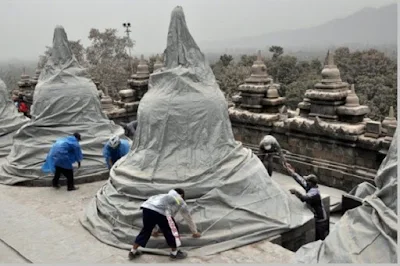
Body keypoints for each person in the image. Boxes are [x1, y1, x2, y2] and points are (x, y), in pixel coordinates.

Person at [129, 188, 201, 260]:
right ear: (181, 195)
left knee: (146, 230)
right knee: (172, 230)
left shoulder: (161, 196)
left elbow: (155, 211)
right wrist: (195, 232)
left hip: (147, 208)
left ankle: (133, 251)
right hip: (161, 212)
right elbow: (187, 217)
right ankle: (174, 253)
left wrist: (155, 230)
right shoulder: (180, 200)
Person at [286, 163, 329, 241]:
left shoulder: (314, 193)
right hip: (316, 217)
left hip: (320, 220)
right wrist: (291, 171)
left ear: (310, 183)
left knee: (320, 239)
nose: (306, 183)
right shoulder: (310, 187)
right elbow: (300, 180)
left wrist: (296, 192)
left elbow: (304, 198)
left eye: (307, 181)